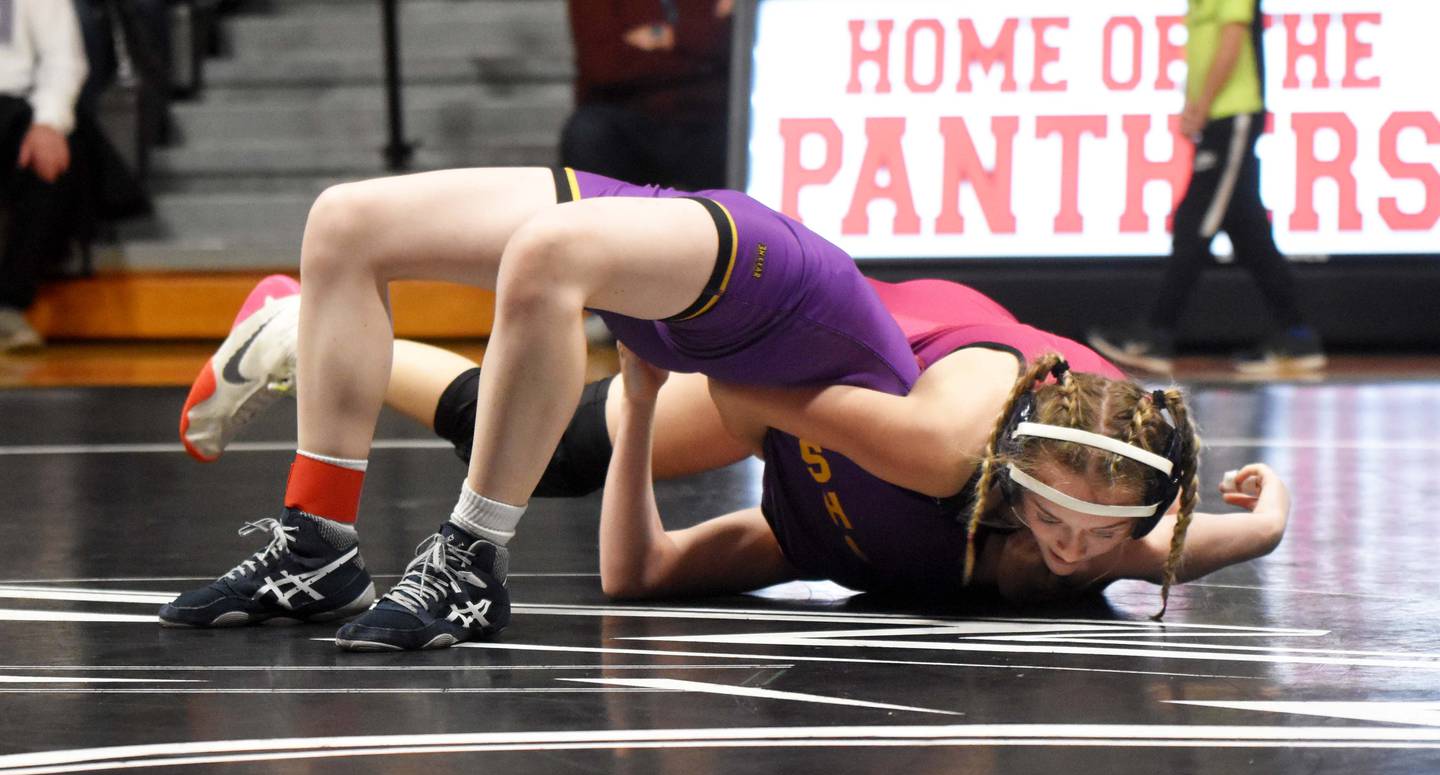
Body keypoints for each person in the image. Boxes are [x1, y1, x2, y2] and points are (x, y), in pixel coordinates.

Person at [162, 205, 1287, 648]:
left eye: (1091, 550)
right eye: (1073, 536)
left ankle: (306, 327)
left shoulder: (1077, 531)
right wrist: (1263, 508)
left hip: (996, 404)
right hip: (908, 360)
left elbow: (635, 578)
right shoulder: (950, 445)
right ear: (1022, 493)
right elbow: (761, 396)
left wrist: (644, 400)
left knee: (559, 444)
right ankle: (322, 311)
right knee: (567, 430)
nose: (1081, 555)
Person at [1088, 0, 1325, 376]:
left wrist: (1202, 104)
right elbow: (1204, 50)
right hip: (1218, 117)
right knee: (1252, 238)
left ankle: (1156, 334)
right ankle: (1297, 337)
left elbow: (1231, 40)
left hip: (1233, 115)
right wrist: (1192, 105)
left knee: (1195, 224)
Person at [561, 0, 732, 190]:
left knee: (747, 135)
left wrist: (669, 36)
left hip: (708, 120)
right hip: (628, 119)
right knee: (588, 132)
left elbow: (732, 46)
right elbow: (603, 66)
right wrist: (698, 44)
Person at [0, 0, 88, 351]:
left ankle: (8, 306)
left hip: (12, 107)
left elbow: (64, 59)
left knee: (51, 157)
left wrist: (48, 122)